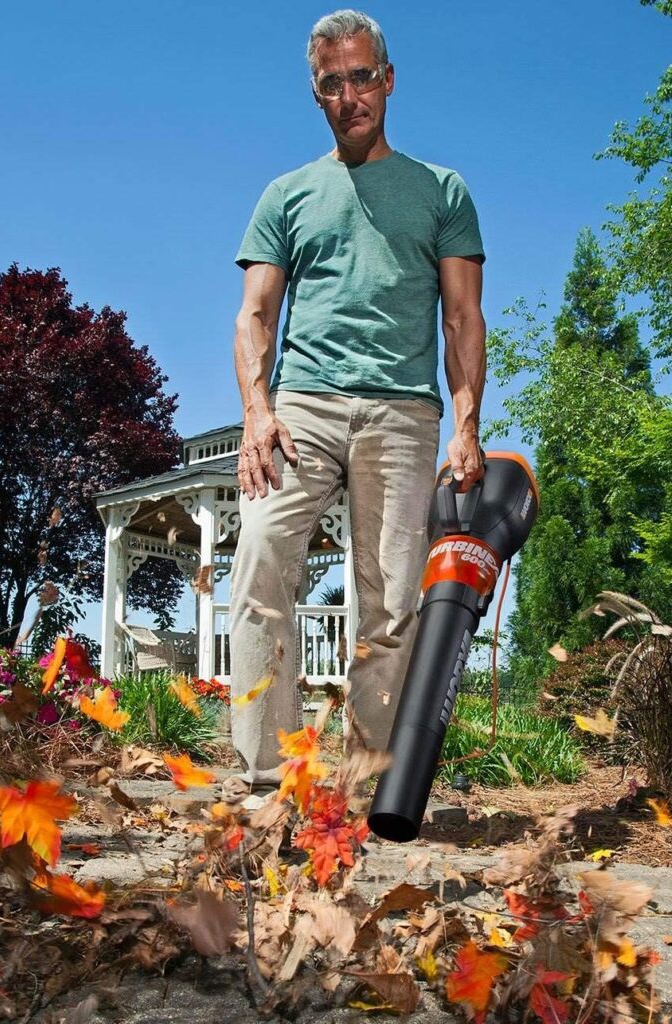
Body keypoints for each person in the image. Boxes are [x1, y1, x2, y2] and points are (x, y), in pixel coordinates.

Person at [227, 9, 486, 796]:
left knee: (390, 605)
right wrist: (256, 413)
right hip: (300, 408)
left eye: (362, 76)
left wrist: (467, 427)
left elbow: (462, 317)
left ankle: (367, 786)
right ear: (316, 94)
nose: (350, 94)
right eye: (331, 83)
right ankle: (267, 780)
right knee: (259, 567)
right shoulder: (288, 193)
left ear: (388, 79)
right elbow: (255, 315)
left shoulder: (441, 190)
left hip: (404, 415)